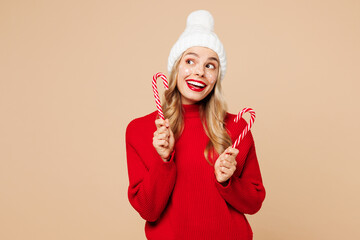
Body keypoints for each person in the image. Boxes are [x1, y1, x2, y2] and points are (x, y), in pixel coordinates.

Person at [126, 10, 266, 240]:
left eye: (210, 65)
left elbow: (253, 203)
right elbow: (148, 210)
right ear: (176, 68)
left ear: (217, 77)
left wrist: (228, 181)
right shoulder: (140, 130)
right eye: (190, 61)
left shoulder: (238, 128)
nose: (200, 71)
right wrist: (163, 160)